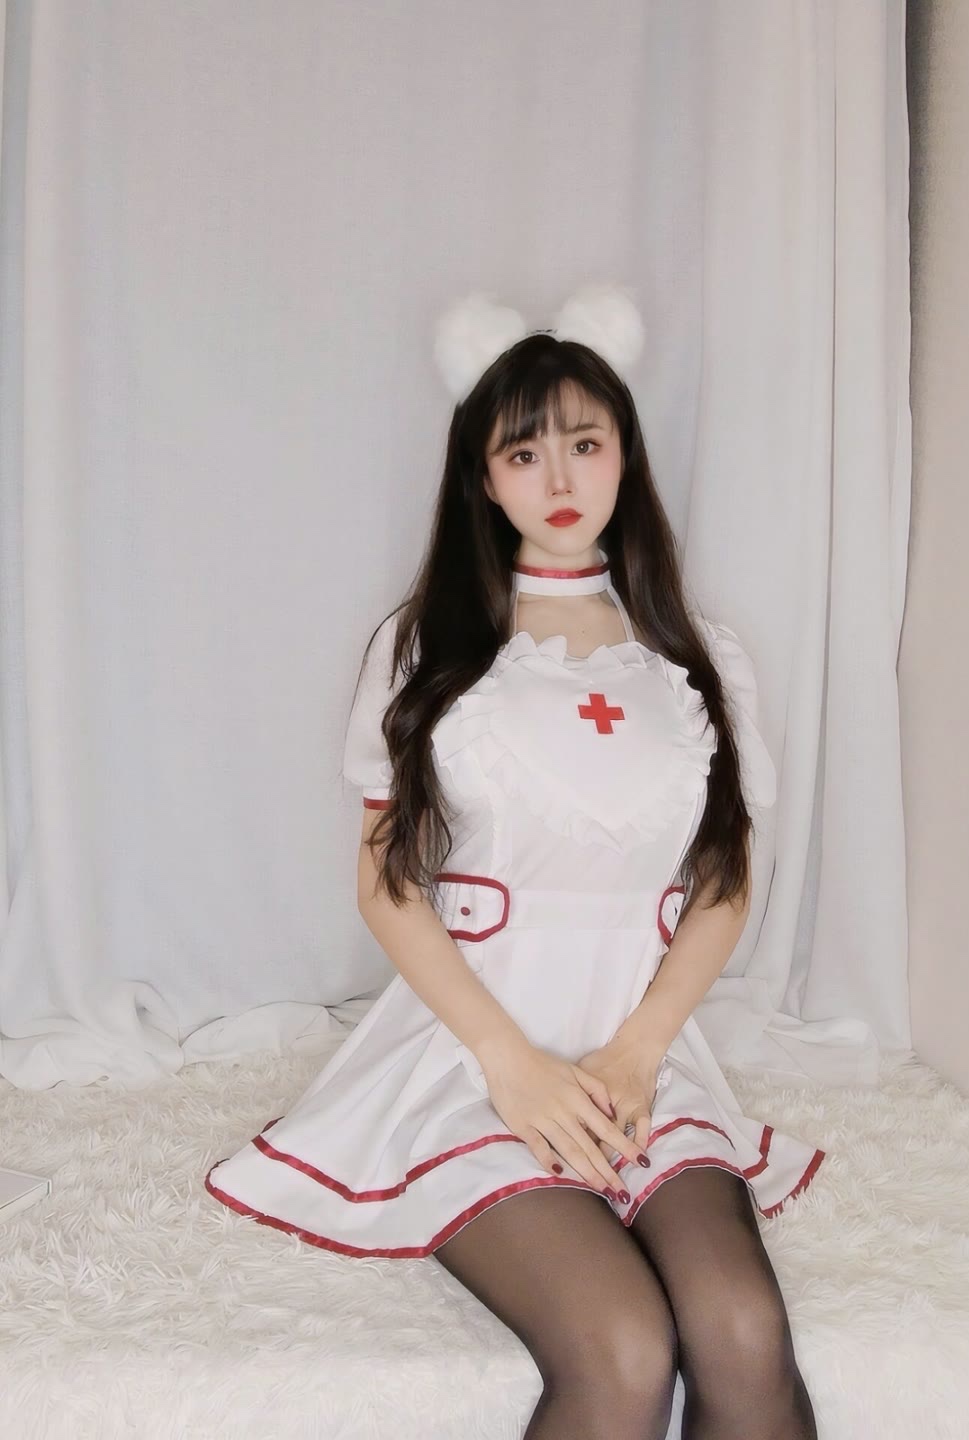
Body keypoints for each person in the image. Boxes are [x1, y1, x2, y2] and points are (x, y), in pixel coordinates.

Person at [206, 284, 824, 1439]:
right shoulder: (427, 648)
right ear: (483, 480)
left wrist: (639, 1050)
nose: (559, 478)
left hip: (641, 1056)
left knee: (742, 1331)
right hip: (470, 1057)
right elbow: (387, 883)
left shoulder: (699, 656)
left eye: (585, 444)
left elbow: (725, 882)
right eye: (523, 452)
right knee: (624, 1346)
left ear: (625, 456)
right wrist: (510, 1062)